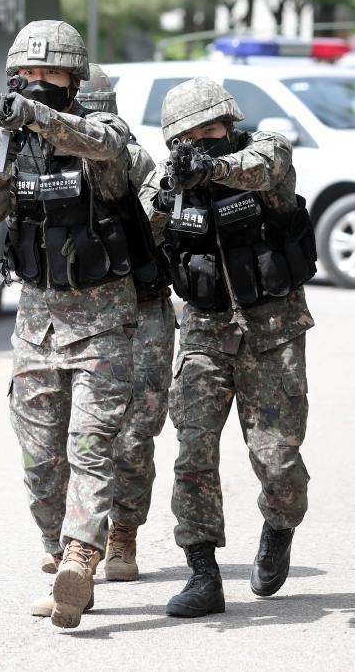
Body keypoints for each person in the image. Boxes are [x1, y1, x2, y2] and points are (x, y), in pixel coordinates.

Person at [0, 20, 153, 629]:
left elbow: (103, 150)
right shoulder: (16, 138)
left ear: (73, 78)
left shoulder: (104, 133)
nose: (35, 84)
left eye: (48, 75)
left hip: (102, 325)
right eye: (25, 76)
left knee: (90, 446)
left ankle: (83, 553)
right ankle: (60, 560)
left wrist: (35, 116)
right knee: (39, 461)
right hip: (36, 327)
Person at [139, 77, 316, 618]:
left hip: (273, 330)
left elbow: (266, 168)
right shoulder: (170, 181)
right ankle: (202, 573)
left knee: (279, 460)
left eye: (210, 130)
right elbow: (144, 234)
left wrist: (212, 169)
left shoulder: (266, 153)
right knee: (192, 453)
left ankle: (279, 527)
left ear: (229, 124)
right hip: (204, 333)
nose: (201, 141)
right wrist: (165, 202)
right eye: (187, 136)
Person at [76, 64, 175, 583]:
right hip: (82, 317)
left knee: (135, 435)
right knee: (86, 437)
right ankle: (79, 542)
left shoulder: (134, 159)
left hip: (142, 311)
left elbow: (154, 229)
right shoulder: (52, 155)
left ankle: (124, 533)